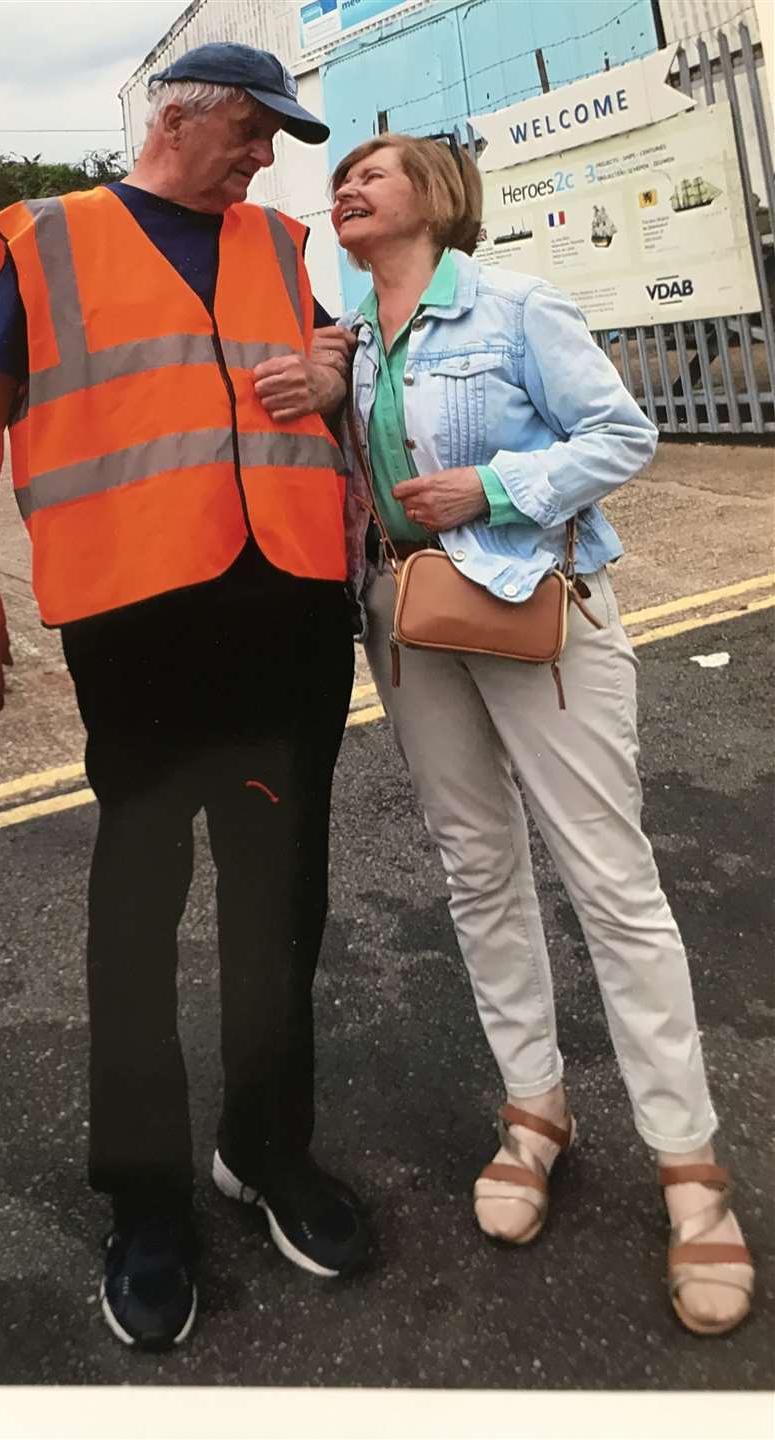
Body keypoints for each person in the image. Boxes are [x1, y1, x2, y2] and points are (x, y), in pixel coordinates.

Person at [0, 42, 367, 1353]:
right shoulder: (55, 242)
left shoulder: (277, 247)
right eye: (254, 129)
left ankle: (264, 1148)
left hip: (290, 610)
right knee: (138, 910)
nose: (270, 155)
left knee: (281, 896)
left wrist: (338, 374)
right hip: (141, 625)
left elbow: (322, 381)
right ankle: (145, 1201)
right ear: (180, 117)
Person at [332, 131, 754, 1336]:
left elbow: (623, 436)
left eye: (377, 169)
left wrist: (494, 489)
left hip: (533, 608)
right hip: (407, 617)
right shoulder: (350, 336)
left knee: (610, 878)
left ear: (437, 197)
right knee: (476, 866)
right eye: (341, 176)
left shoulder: (514, 305)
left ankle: (691, 1168)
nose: (349, 184)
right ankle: (535, 1110)